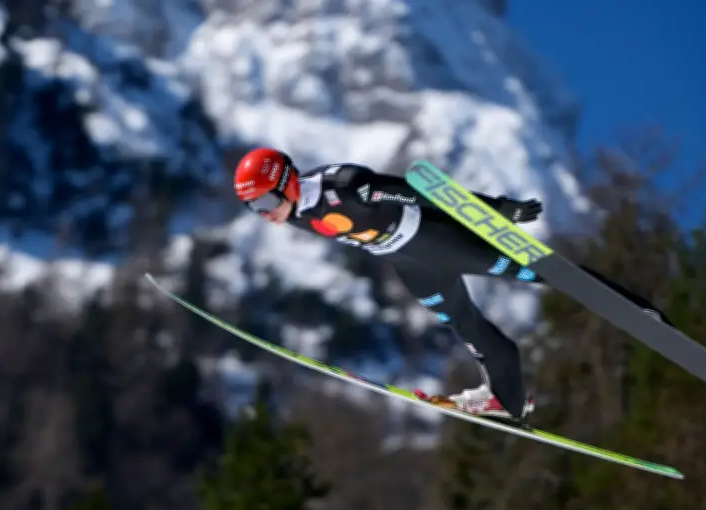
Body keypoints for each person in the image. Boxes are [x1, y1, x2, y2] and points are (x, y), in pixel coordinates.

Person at [232, 147, 670, 420]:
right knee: (465, 325)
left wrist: (496, 208)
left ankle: (637, 311)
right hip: (410, 264)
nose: (265, 213)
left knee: (547, 273)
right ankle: (506, 398)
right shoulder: (293, 214)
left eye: (266, 200)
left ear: (287, 180)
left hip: (441, 239)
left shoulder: (344, 187)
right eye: (255, 208)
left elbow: (418, 191)